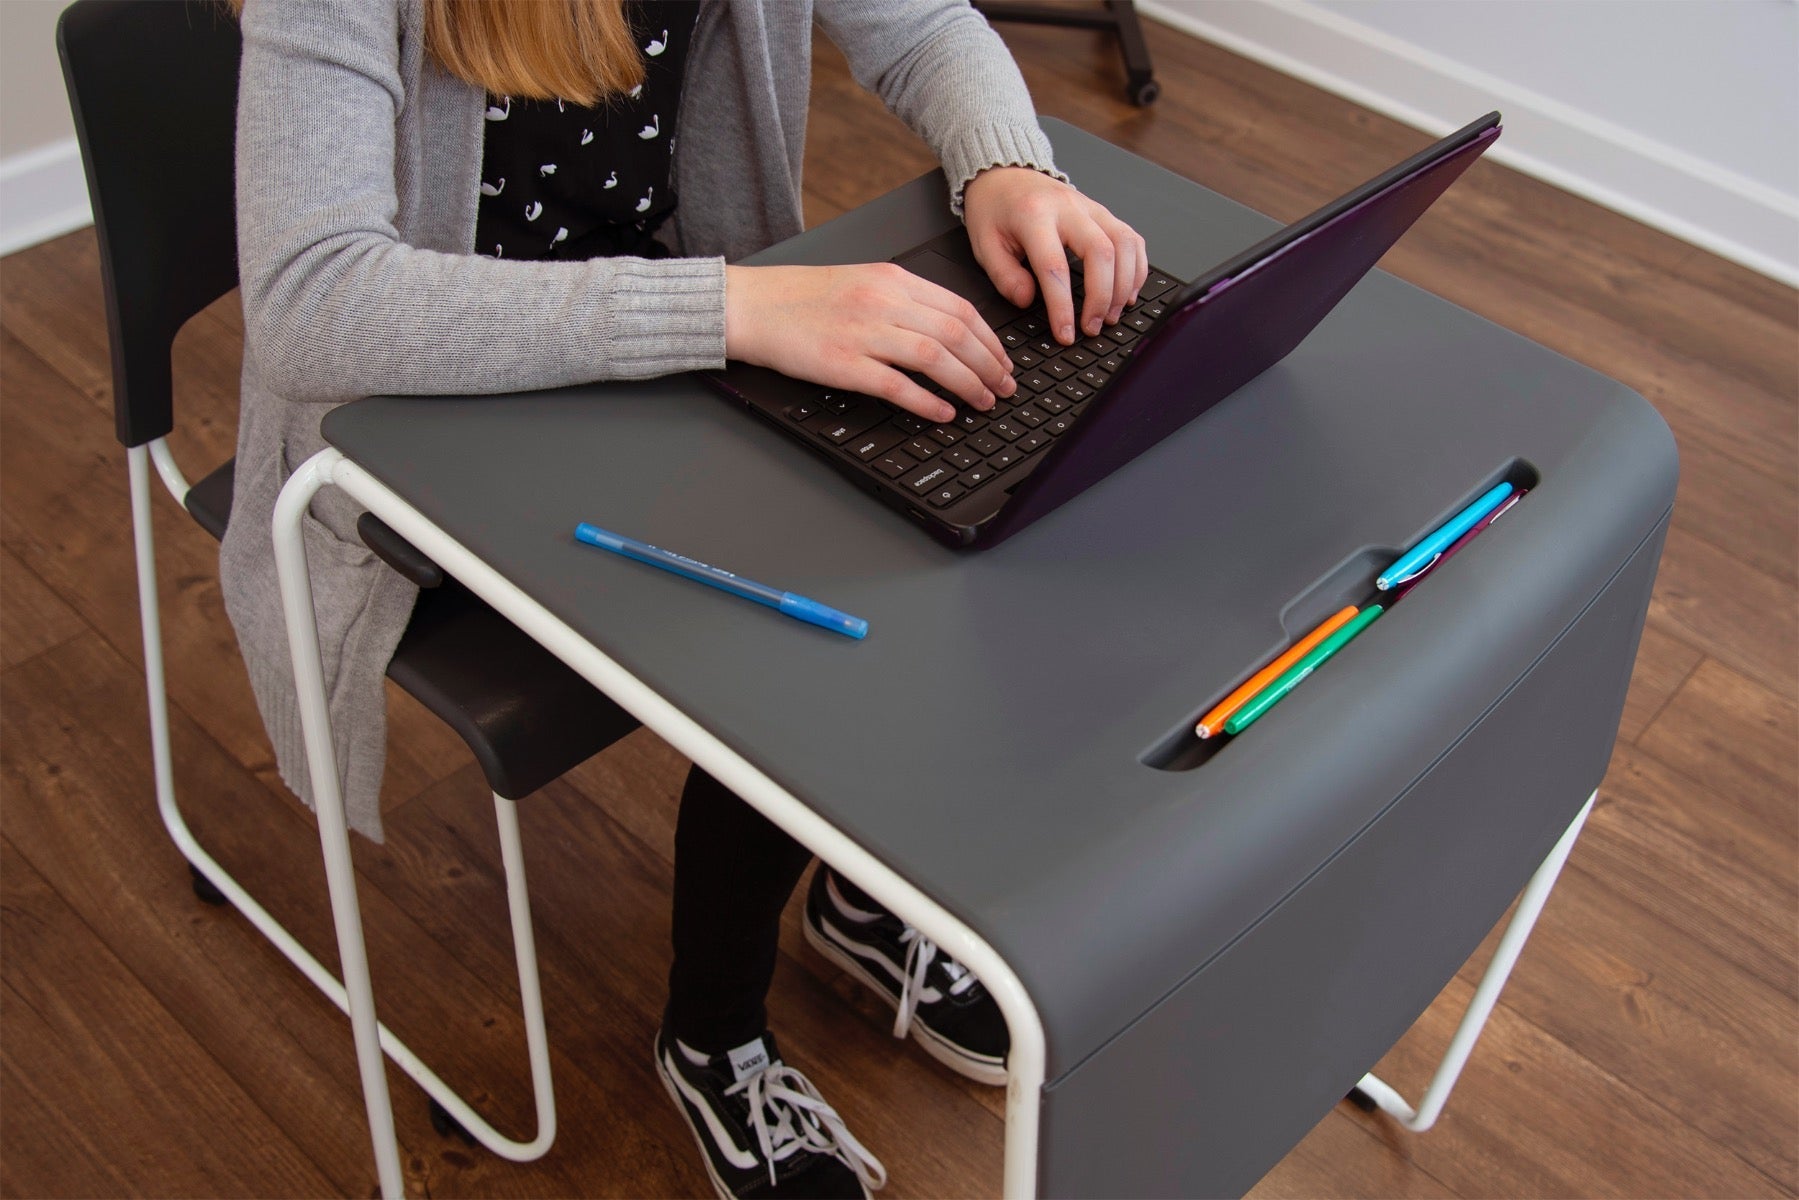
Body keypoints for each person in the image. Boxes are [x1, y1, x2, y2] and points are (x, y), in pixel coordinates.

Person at [224, 1, 1147, 1195]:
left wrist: (1005, 163)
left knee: (938, 497)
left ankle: (854, 898)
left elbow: (921, 23)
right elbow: (310, 302)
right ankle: (715, 1035)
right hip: (429, 412)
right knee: (807, 602)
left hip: (672, 330)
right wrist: (730, 310)